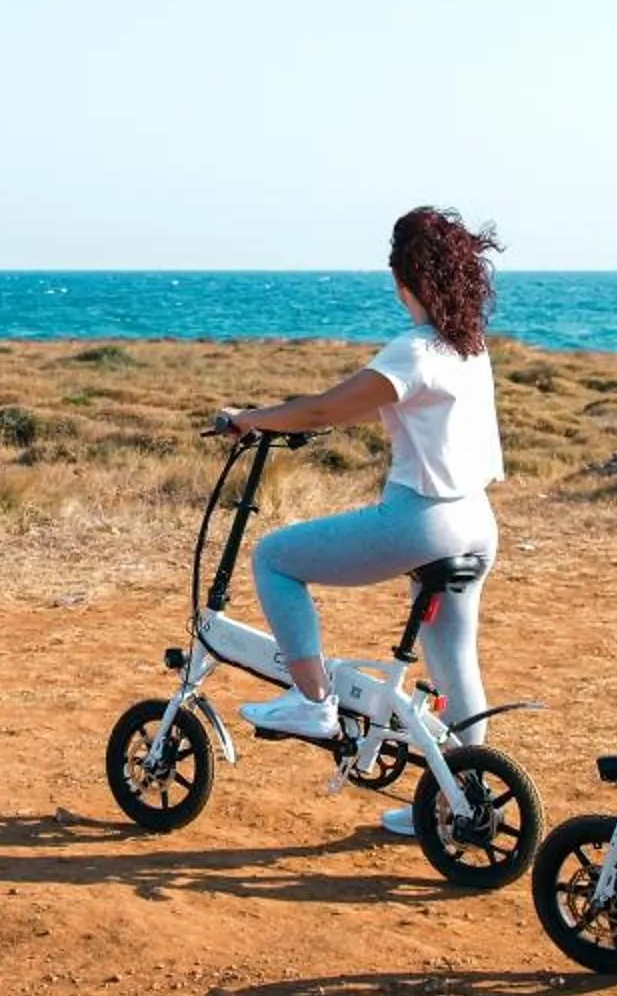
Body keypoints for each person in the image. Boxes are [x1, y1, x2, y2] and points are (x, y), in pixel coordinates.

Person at [212, 207, 507, 838]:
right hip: (477, 523)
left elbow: (324, 408)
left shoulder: (415, 352)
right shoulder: (469, 347)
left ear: (407, 282)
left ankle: (315, 703)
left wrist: (251, 417)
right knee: (456, 660)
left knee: (274, 558)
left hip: (422, 521)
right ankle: (460, 801)